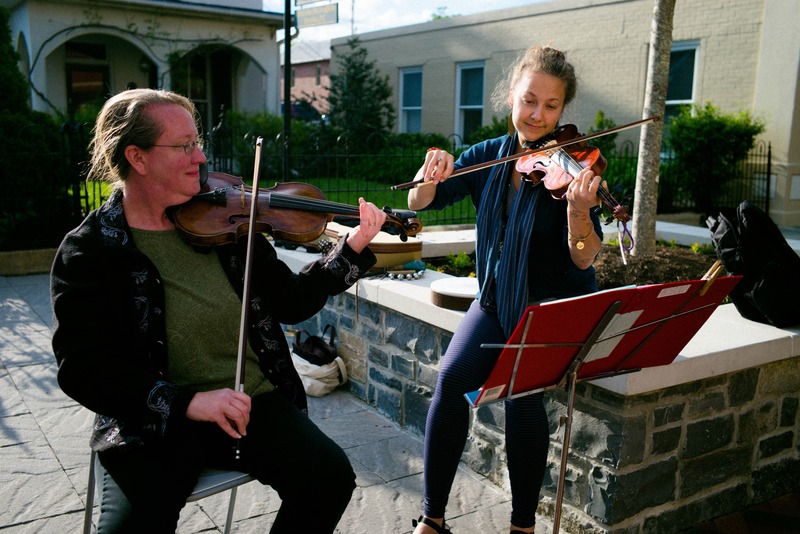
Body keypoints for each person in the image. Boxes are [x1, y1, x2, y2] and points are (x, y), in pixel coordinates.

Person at [50, 88, 387, 533]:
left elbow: (289, 302)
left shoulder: (226, 222)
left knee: (329, 478)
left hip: (249, 402)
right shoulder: (90, 250)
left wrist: (352, 248)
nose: (200, 157)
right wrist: (187, 402)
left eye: (198, 142)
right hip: (152, 421)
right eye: (184, 145)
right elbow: (83, 367)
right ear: (138, 157)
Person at [407, 46, 604, 534]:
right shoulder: (487, 157)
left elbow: (585, 256)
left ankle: (522, 527)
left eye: (551, 106)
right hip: (496, 302)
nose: (537, 115)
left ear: (563, 111)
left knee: (521, 399)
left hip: (549, 309)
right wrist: (427, 176)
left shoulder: (571, 168)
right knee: (451, 380)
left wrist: (578, 210)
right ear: (511, 97)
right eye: (529, 100)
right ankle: (432, 518)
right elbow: (420, 201)